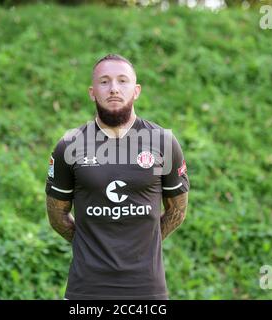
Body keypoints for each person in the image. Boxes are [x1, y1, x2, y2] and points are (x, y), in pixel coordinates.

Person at [45, 54, 189, 300]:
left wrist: (145, 245)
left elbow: (177, 210)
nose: (113, 89)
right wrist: (89, 246)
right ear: (92, 92)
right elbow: (57, 214)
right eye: (104, 82)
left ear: (136, 90)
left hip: (146, 290)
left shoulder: (162, 142)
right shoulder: (70, 144)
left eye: (122, 81)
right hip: (86, 291)